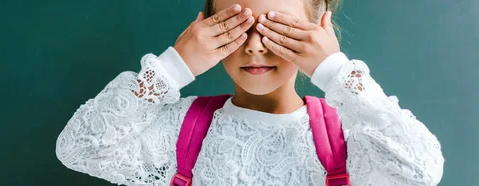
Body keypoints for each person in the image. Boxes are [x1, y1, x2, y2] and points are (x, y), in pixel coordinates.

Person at [55, 0, 445, 185]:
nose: (256, 47)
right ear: (207, 27)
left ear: (319, 30)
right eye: (236, 26)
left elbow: (422, 171)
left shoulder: (349, 136)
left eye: (279, 30)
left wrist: (337, 71)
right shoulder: (179, 132)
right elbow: (79, 149)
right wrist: (173, 66)